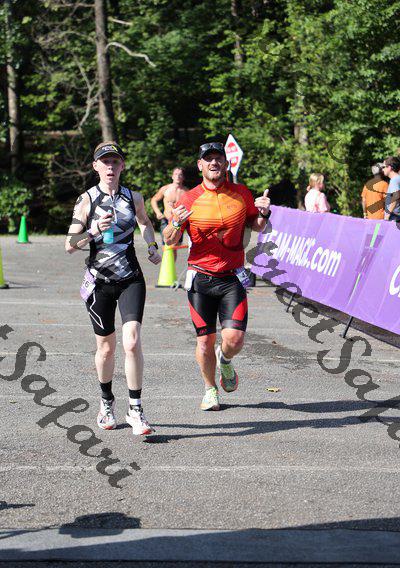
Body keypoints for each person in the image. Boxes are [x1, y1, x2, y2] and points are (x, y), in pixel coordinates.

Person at [163, 142, 271, 411]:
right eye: (208, 159)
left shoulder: (241, 193)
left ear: (226, 163)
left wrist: (264, 213)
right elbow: (169, 239)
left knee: (234, 339)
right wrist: (175, 223)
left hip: (231, 277)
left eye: (218, 158)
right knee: (204, 341)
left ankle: (226, 360)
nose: (213, 163)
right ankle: (210, 389)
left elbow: (257, 225)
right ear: (200, 165)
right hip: (200, 278)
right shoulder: (189, 199)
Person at [65, 141, 161, 436]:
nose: (110, 166)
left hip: (130, 278)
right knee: (106, 348)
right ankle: (106, 402)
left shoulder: (134, 197)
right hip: (99, 283)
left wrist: (152, 245)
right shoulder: (86, 200)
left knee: (131, 341)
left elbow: (145, 222)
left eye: (115, 162)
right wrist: (93, 230)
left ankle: (136, 409)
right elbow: (70, 244)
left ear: (122, 166)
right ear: (95, 166)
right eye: (105, 162)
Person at [151, 167, 188, 254]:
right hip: (166, 220)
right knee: (167, 245)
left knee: (175, 246)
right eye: (176, 174)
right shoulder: (165, 189)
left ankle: (172, 263)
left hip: (178, 221)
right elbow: (154, 200)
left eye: (180, 174)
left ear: (183, 177)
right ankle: (165, 263)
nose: (178, 176)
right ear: (172, 176)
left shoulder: (186, 192)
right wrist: (158, 212)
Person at [383, 156, 400, 221]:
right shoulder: (398, 178)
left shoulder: (394, 180)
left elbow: (396, 196)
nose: (383, 169)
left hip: (394, 218)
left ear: (389, 167)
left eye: (384, 167)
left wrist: (387, 215)